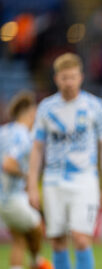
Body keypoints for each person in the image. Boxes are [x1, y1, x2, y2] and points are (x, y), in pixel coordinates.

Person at [27, 53, 102, 269]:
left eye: (73, 77)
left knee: (81, 238)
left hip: (84, 180)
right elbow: (37, 149)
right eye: (64, 77)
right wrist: (31, 186)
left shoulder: (95, 106)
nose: (69, 82)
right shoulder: (46, 108)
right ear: (57, 78)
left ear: (81, 77)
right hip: (53, 181)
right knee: (57, 241)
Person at [0, 92, 53, 269]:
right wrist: (27, 175)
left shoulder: (4, 131)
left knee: (19, 239)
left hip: (3, 198)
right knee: (37, 226)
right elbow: (8, 164)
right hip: (11, 197)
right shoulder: (23, 136)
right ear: (30, 113)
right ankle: (37, 262)